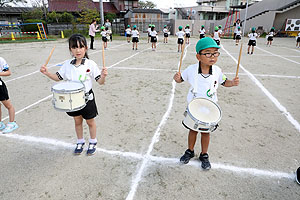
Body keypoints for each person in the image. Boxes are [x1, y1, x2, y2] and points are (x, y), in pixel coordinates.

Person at [173, 37, 239, 169]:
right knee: (192, 130)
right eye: (208, 53)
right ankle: (190, 151)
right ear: (198, 56)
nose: (212, 57)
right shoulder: (191, 69)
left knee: (205, 132)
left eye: (215, 53)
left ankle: (204, 154)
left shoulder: (217, 70)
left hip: (210, 108)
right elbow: (181, 80)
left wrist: (231, 83)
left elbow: (224, 81)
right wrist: (177, 79)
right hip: (194, 106)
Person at [40, 34, 108, 155]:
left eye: (81, 47)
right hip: (72, 98)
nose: (78, 50)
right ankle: (80, 141)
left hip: (87, 98)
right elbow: (58, 77)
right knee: (77, 121)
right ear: (70, 49)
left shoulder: (90, 64)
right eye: (74, 47)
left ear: (86, 48)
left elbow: (101, 82)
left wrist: (103, 76)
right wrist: (47, 73)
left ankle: (93, 141)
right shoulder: (67, 64)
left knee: (90, 121)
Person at [0, 57, 18, 134]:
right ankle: (0, 124)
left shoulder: (0, 60)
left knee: (8, 105)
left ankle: (12, 123)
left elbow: (8, 72)